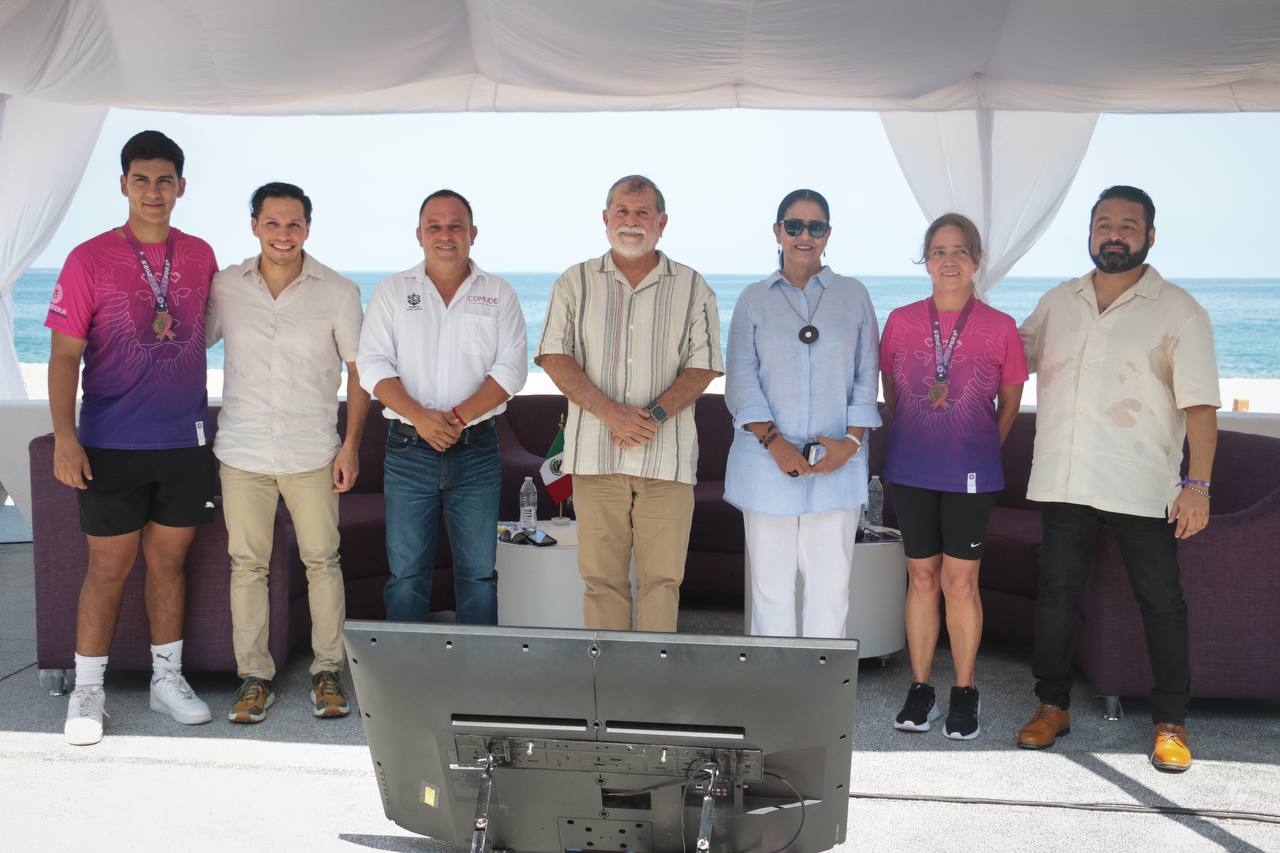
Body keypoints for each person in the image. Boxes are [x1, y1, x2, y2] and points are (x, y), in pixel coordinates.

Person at [1016, 186, 1219, 772]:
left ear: (1150, 236)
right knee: (1055, 596)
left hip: (1142, 483)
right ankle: (1051, 706)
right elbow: (1008, 358)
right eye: (1104, 223)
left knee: (1161, 602)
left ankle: (1171, 724)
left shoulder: (1180, 309)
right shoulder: (1060, 300)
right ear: (1089, 232)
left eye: (1128, 225)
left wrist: (1197, 486)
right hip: (1065, 478)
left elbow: (1202, 407)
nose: (1115, 233)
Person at [46, 131, 219, 745]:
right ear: (123, 185)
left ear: (180, 187)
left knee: (169, 564)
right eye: (141, 179)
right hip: (111, 442)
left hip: (184, 441)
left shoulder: (200, 255)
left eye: (164, 179)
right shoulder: (88, 258)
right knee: (108, 567)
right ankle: (88, 692)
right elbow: (65, 356)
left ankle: (164, 679)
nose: (153, 190)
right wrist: (65, 438)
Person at [206, 182, 369, 723]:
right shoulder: (225, 287)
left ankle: (327, 673)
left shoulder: (339, 292)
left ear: (308, 229)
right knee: (246, 565)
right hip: (242, 451)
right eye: (272, 223)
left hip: (313, 452)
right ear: (254, 225)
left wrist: (350, 446)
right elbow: (184, 341)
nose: (283, 234)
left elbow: (359, 372)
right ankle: (254, 678)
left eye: (293, 224)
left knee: (322, 561)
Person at [536, 175, 723, 631]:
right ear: (605, 219)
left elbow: (705, 365)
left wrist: (652, 415)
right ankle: (609, 686)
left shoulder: (693, 286)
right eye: (622, 211)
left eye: (643, 213)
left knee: (663, 581)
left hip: (668, 459)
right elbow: (554, 357)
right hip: (595, 459)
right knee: (602, 580)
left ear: (662, 222)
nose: (632, 221)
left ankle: (652, 686)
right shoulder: (573, 282)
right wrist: (610, 413)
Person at [880, 213, 1027, 739]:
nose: (949, 260)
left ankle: (965, 690)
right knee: (921, 577)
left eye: (960, 251)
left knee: (960, 582)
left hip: (971, 471)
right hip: (912, 467)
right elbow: (892, 391)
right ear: (926, 258)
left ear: (977, 260)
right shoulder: (899, 321)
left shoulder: (1000, 326)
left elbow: (1010, 400)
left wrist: (982, 445)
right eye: (938, 250)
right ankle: (921, 689)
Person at [357, 190, 527, 624]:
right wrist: (421, 418)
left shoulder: (500, 294)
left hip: (477, 452)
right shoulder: (393, 292)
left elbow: (511, 370)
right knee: (407, 574)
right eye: (434, 226)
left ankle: (479, 674)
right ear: (419, 235)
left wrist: (453, 420)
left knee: (478, 575)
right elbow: (372, 366)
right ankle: (407, 680)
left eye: (456, 226)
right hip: (407, 452)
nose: (445, 235)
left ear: (473, 233)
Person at [723, 189, 880, 639]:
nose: (803, 235)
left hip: (837, 463)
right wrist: (777, 445)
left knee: (831, 590)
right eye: (794, 226)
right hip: (765, 463)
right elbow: (740, 381)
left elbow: (867, 377)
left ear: (828, 235)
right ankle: (772, 700)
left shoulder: (854, 295)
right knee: (770, 590)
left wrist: (848, 445)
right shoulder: (753, 299)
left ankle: (819, 698)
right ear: (778, 232)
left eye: (815, 227)